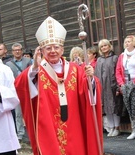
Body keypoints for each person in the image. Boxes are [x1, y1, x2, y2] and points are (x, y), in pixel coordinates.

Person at [14, 16, 103, 155]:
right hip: (48, 127)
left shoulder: (75, 69)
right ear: (42, 51)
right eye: (48, 48)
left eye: (56, 47)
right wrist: (34, 67)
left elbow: (89, 93)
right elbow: (21, 85)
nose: (52, 51)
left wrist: (91, 79)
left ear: (62, 49)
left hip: (75, 125)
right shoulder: (37, 71)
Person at [6, 43, 32, 143]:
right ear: (12, 52)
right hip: (15, 91)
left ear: (21, 51)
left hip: (27, 90)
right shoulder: (9, 64)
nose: (17, 51)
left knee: (29, 112)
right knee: (18, 113)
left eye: (19, 49)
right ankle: (20, 134)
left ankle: (30, 132)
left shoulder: (28, 61)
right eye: (15, 50)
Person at [95, 39, 121, 137]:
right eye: (102, 46)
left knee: (114, 106)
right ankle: (111, 127)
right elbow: (97, 74)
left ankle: (117, 128)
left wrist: (118, 87)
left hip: (112, 86)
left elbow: (118, 72)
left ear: (109, 46)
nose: (104, 48)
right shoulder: (99, 60)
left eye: (105, 45)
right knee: (106, 107)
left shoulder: (115, 58)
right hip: (102, 87)